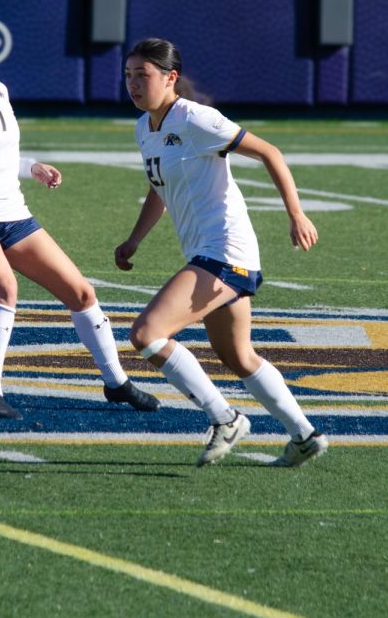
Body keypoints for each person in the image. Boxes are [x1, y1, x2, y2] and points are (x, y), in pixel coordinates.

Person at [0, 17, 159, 420]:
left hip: (11, 210)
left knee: (81, 293)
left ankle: (117, 383)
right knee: (4, 290)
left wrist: (32, 167)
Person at [114, 37, 328, 467]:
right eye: (129, 75)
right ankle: (305, 435)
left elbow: (269, 152)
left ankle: (224, 417)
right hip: (212, 254)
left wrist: (296, 214)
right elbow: (160, 189)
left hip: (225, 251)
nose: (134, 84)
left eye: (144, 75)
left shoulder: (196, 119)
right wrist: (135, 238)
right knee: (238, 356)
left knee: (147, 335)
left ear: (170, 78)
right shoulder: (145, 127)